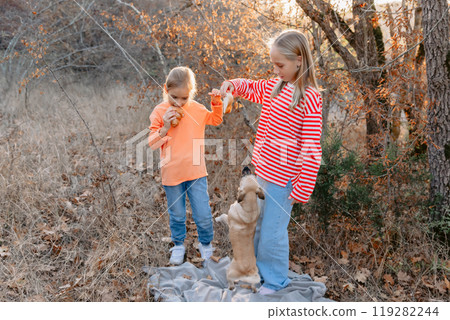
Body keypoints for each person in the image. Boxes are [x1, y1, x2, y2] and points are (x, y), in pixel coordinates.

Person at [220, 30, 323, 295]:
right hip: (263, 175)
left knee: (272, 235)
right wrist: (232, 84)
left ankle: (276, 281)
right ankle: (255, 272)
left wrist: (302, 186)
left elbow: (311, 146)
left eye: (281, 65)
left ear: (299, 60)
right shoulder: (275, 87)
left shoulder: (309, 96)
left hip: (285, 181)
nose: (276, 70)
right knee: (256, 226)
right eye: (273, 64)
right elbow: (251, 87)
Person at [149, 66, 223, 265]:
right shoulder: (159, 112)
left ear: (192, 93)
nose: (179, 103)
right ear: (165, 89)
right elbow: (153, 143)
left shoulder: (197, 109)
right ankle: (179, 245)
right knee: (178, 214)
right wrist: (164, 127)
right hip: (172, 172)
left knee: (203, 212)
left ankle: (206, 244)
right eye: (174, 97)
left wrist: (216, 102)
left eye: (184, 98)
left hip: (196, 170)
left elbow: (216, 119)